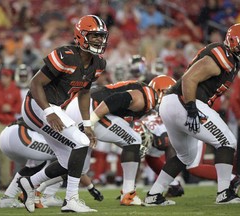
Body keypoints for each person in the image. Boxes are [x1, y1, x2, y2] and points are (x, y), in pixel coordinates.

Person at [144, 23, 240, 205]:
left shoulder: (231, 60)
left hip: (172, 103)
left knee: (185, 157)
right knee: (227, 142)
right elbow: (190, 78)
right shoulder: (223, 54)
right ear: (233, 41)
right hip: (184, 101)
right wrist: (190, 108)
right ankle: (224, 193)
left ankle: (153, 195)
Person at [17, 15, 109, 213]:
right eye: (94, 36)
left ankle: (29, 183)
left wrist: (87, 124)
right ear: (81, 35)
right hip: (36, 105)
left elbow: (84, 92)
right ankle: (71, 200)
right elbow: (35, 84)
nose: (99, 41)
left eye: (101, 37)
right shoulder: (65, 55)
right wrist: (49, 112)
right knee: (81, 143)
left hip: (53, 108)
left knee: (72, 163)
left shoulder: (98, 64)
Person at [66, 76, 168, 206]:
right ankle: (128, 194)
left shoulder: (143, 94)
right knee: (134, 141)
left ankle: (41, 190)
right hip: (91, 108)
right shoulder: (147, 96)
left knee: (76, 166)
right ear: (161, 91)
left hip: (80, 104)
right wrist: (89, 123)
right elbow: (114, 100)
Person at [0, 118, 103, 208]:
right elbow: (74, 166)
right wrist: (91, 187)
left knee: (38, 164)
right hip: (21, 135)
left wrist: (90, 187)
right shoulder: (70, 117)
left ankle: (10, 198)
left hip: (8, 134)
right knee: (65, 160)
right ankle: (39, 194)